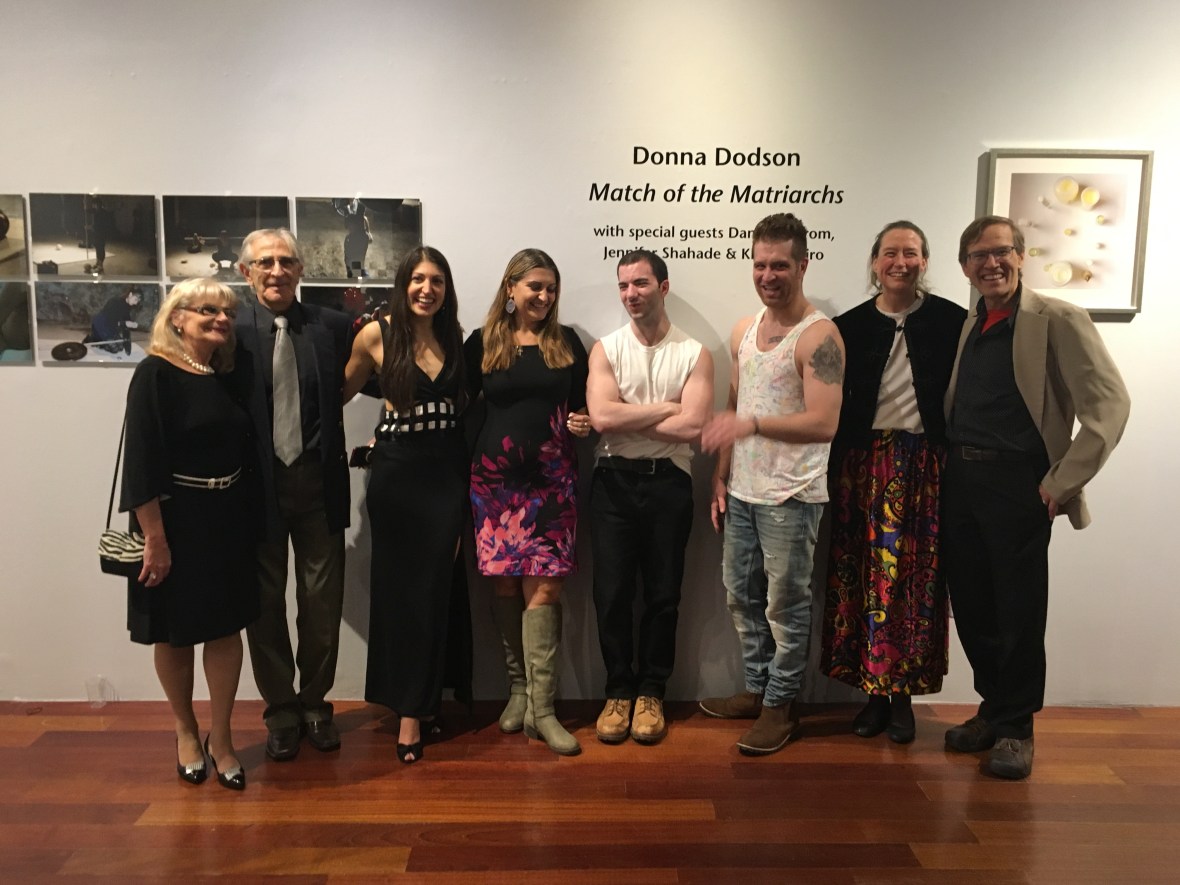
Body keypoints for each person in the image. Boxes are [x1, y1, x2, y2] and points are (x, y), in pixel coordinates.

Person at [942, 215, 1130, 779]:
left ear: (1021, 256)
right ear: (965, 267)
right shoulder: (972, 322)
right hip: (962, 482)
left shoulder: (1058, 319)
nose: (991, 263)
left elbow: (1109, 407)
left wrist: (1060, 482)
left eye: (1001, 251)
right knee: (972, 606)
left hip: (1018, 487)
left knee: (1018, 611)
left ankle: (1017, 728)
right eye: (978, 255)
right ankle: (994, 708)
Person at [698, 213, 845, 756]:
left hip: (792, 495)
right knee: (741, 597)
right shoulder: (745, 329)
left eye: (779, 265)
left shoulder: (820, 336)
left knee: (785, 605)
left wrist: (753, 426)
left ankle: (781, 706)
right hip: (742, 491)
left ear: (803, 265)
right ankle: (759, 690)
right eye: (760, 264)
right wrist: (721, 476)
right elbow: (735, 405)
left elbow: (824, 423)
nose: (768, 275)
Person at [820, 221, 966, 744]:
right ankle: (872, 694)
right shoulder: (847, 326)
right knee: (863, 579)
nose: (899, 262)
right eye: (889, 253)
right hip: (863, 466)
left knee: (912, 583)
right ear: (874, 261)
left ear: (924, 261)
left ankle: (901, 696)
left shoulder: (953, 321)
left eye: (910, 253)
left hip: (924, 468)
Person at [120, 278, 258, 791]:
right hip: (174, 521)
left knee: (225, 629)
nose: (221, 319)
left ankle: (222, 738)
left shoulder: (225, 374)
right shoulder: (154, 374)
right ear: (177, 317)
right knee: (173, 632)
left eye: (227, 313)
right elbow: (141, 464)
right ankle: (185, 731)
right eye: (208, 310)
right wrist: (154, 539)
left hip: (226, 519)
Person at [342, 246, 469, 764]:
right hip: (397, 478)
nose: (426, 289)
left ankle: (425, 698)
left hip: (446, 474)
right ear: (402, 283)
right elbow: (339, 392)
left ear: (446, 289)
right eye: (418, 279)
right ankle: (410, 712)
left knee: (436, 590)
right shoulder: (376, 335)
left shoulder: (454, 336)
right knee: (399, 593)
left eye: (436, 280)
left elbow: (464, 408)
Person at [234, 228, 355, 761]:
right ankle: (281, 710)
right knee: (263, 606)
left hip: (318, 485)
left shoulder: (332, 327)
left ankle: (315, 704)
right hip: (255, 490)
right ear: (246, 272)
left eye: (286, 261)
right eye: (265, 262)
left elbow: (378, 375)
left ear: (301, 269)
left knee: (321, 605)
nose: (277, 271)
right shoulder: (230, 329)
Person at [465, 248, 591, 756]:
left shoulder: (566, 342)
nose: (544, 296)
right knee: (504, 586)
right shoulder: (482, 342)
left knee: (546, 590)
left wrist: (583, 420)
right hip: (494, 485)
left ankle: (543, 709)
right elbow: (456, 406)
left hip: (553, 482)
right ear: (511, 289)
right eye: (535, 286)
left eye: (551, 288)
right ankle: (518, 690)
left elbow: (585, 404)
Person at [586, 249, 713, 745]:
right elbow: (602, 418)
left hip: (669, 484)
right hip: (612, 483)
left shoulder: (694, 353)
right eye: (623, 285)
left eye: (640, 283)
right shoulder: (606, 349)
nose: (630, 294)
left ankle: (651, 692)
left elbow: (694, 426)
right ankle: (618, 691)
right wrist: (666, 408)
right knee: (612, 594)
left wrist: (627, 414)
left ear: (663, 287)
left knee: (663, 595)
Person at [84, 287, 141, 354]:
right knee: (115, 349)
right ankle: (94, 339)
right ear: (130, 294)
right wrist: (125, 323)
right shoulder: (114, 302)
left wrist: (132, 324)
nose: (136, 303)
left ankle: (104, 340)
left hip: (112, 328)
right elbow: (110, 322)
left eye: (137, 301)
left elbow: (126, 320)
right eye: (135, 299)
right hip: (101, 326)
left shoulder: (128, 307)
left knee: (121, 347)